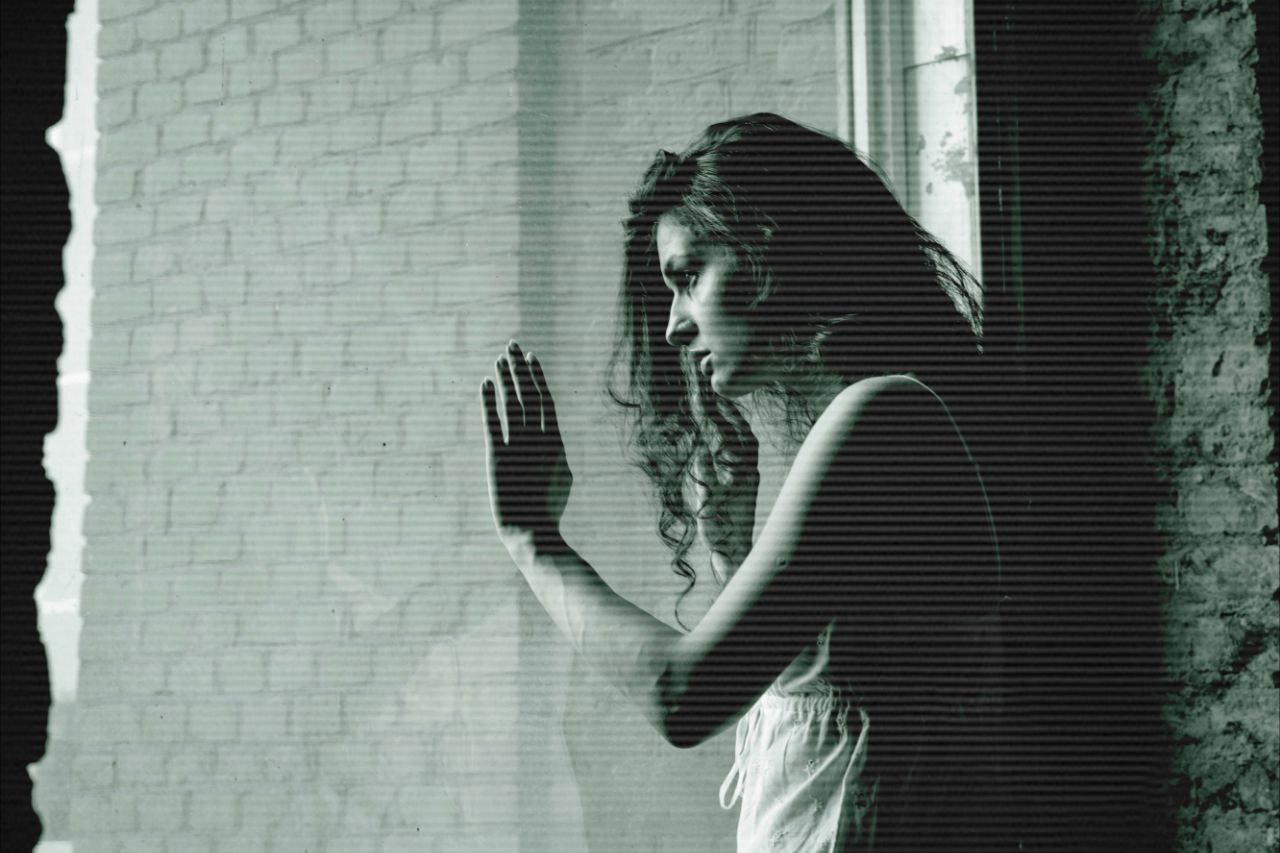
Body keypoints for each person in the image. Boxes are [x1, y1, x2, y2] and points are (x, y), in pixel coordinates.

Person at [479, 113, 1005, 851]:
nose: (674, 325)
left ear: (770, 247)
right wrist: (732, 549)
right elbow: (830, 707)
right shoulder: (878, 420)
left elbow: (683, 696)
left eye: (689, 276)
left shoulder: (883, 414)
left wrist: (533, 539)